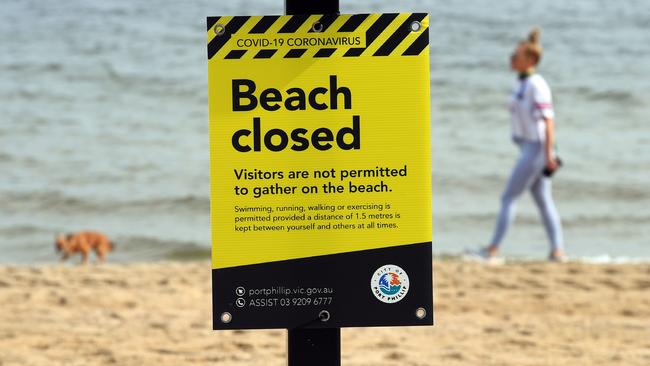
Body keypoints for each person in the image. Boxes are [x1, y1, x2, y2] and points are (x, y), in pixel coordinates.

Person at [480, 27, 565, 262]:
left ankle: (492, 250)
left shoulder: (537, 85)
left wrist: (549, 155)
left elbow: (549, 121)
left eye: (517, 55)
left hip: (536, 148)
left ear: (531, 59)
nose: (512, 58)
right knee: (543, 200)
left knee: (508, 197)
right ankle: (558, 251)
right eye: (513, 53)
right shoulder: (521, 83)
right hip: (528, 147)